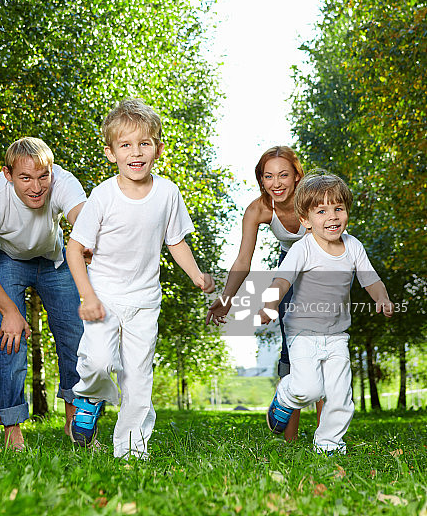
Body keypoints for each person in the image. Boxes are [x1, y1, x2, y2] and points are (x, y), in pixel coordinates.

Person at [66, 99, 215, 458]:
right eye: (126, 145)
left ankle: (132, 450)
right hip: (103, 297)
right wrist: (88, 297)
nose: (136, 152)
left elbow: (175, 240)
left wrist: (196, 275)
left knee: (138, 379)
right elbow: (74, 250)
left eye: (144, 143)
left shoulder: (168, 193)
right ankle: (89, 398)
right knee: (99, 361)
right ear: (110, 152)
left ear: (158, 149)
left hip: (145, 302)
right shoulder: (102, 196)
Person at [0, 137, 86, 451]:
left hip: (52, 260)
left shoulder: (62, 182)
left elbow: (81, 217)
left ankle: (75, 419)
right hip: (6, 260)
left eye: (43, 177)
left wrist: (88, 241)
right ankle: (12, 430)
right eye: (25, 178)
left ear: (51, 172)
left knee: (75, 334)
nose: (36, 187)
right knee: (11, 338)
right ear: (8, 174)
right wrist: (9, 311)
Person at [260, 171, 394, 454]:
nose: (332, 216)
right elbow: (281, 280)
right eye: (321, 211)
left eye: (338, 208)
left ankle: (329, 444)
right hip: (303, 333)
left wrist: (381, 298)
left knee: (339, 395)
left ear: (346, 211)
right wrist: (270, 304)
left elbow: (370, 279)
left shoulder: (353, 247)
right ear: (306, 220)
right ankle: (285, 394)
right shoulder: (303, 248)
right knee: (308, 389)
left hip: (336, 335)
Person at [206, 145, 313, 440]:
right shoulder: (259, 209)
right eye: (268, 176)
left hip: (322, 264)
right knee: (292, 343)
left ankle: (325, 437)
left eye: (283, 175)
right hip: (288, 267)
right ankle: (289, 437)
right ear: (261, 179)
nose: (276, 183)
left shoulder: (314, 197)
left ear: (296, 176)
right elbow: (243, 261)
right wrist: (226, 301)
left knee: (325, 341)